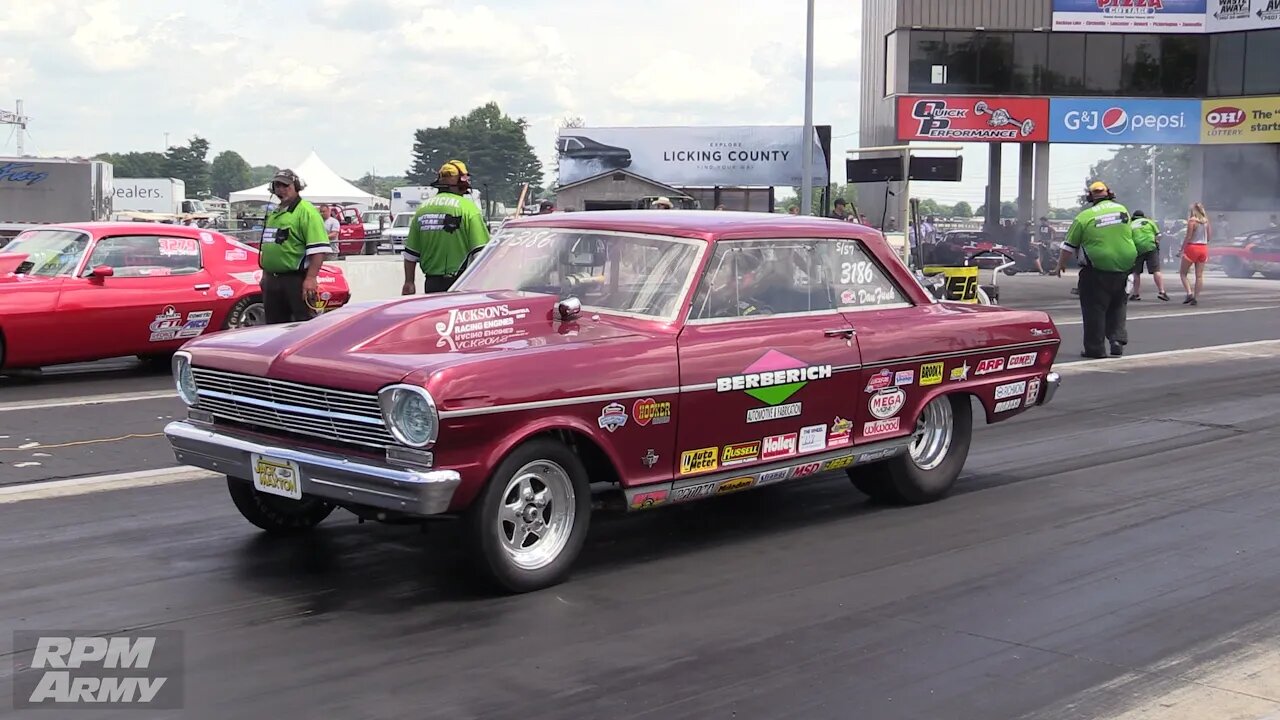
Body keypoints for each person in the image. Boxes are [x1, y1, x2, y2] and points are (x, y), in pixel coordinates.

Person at [1056, 181, 1138, 359]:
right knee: (1118, 303)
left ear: (1090, 196)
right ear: (1110, 193)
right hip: (1124, 266)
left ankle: (1095, 348)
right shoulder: (1122, 210)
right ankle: (1117, 340)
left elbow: (1069, 246)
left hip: (1097, 268)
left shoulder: (1084, 217)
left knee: (1095, 308)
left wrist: (1060, 265)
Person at [401, 160, 489, 295]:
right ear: (461, 182)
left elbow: (410, 255)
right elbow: (482, 255)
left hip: (431, 285)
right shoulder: (469, 209)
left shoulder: (422, 210)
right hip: (461, 284)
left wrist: (409, 283)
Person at [259, 169, 331, 324]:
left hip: (295, 280)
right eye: (277, 186)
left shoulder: (307, 212)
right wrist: (266, 275)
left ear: (296, 186)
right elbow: (270, 247)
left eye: (285, 186)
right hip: (272, 280)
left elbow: (319, 250)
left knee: (302, 326)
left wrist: (311, 278)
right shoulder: (275, 213)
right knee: (273, 328)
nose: (281, 190)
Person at [1128, 210, 1169, 302]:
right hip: (1151, 247)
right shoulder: (1150, 222)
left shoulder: (1131, 224)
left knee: (1136, 272)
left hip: (1137, 248)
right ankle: (1162, 292)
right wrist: (1156, 241)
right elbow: (1159, 235)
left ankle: (1136, 294)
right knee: (1156, 270)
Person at [1180, 202, 1211, 306]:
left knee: (1183, 273)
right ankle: (1196, 297)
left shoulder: (1192, 221)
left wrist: (1181, 249)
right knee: (1199, 276)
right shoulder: (1206, 222)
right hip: (1203, 248)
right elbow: (1209, 237)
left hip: (1192, 247)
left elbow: (1188, 237)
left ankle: (1189, 293)